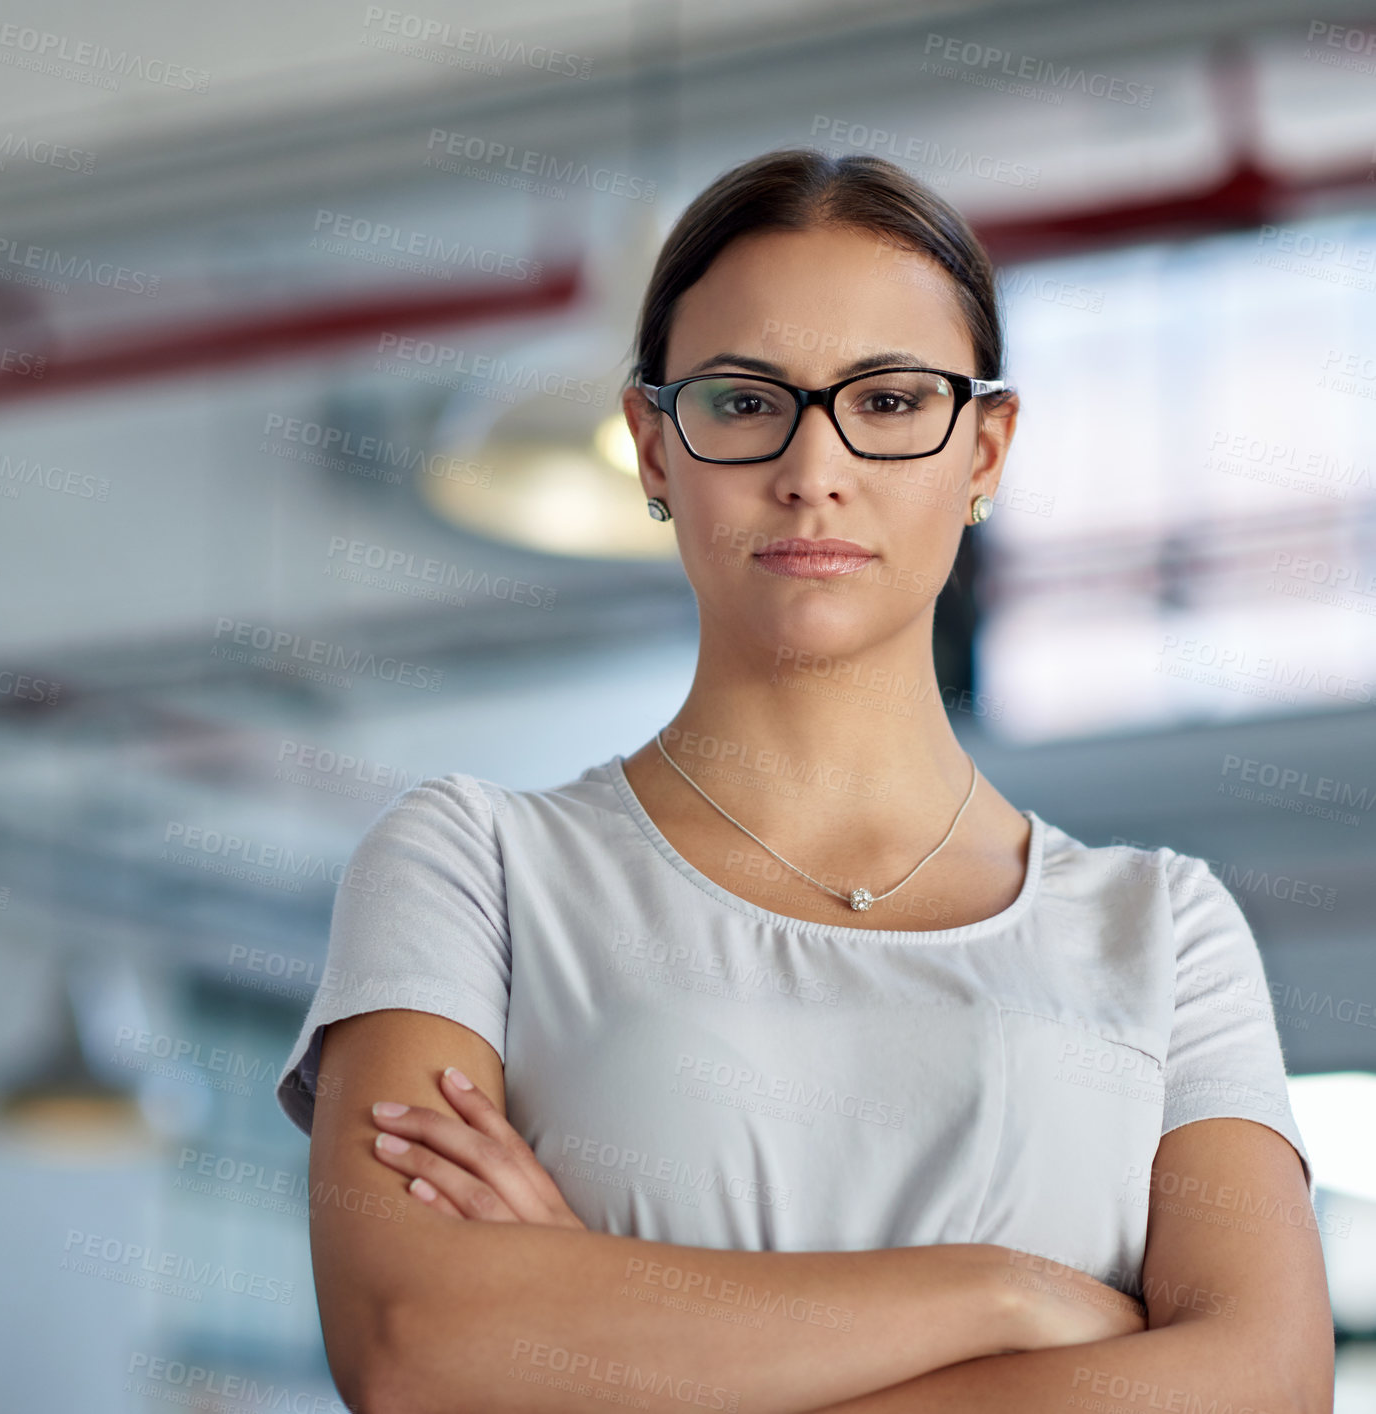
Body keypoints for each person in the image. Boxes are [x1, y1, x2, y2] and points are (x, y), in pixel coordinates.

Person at [275, 148, 1334, 1413]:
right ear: (653, 449)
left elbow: (1264, 1386)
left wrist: (596, 1327)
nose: (812, 467)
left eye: (889, 402)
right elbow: (418, 1345)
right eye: (740, 401)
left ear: (985, 450)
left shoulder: (1163, 933)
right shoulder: (474, 866)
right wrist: (1001, 1295)